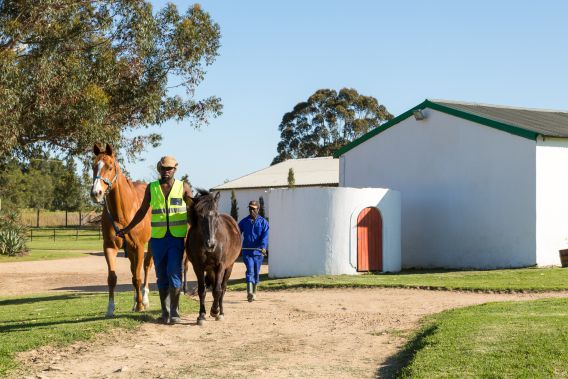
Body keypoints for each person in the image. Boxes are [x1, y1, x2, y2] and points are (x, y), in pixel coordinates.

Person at [117, 156, 192, 324]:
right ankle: (165, 313)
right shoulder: (152, 188)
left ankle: (175, 313)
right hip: (157, 239)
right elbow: (142, 211)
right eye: (163, 168)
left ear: (175, 169)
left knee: (174, 272)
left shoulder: (184, 187)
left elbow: (192, 212)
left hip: (176, 238)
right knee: (161, 276)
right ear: (159, 169)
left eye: (169, 168)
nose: (166, 171)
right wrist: (127, 229)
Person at [238, 200, 269, 302]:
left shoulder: (263, 223)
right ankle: (249, 293)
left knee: (256, 272)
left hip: (258, 252)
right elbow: (237, 232)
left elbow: (265, 237)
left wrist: (263, 247)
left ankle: (254, 292)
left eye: (253, 209)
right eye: (250, 208)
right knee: (250, 270)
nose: (251, 211)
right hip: (247, 251)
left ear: (258, 209)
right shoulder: (244, 222)